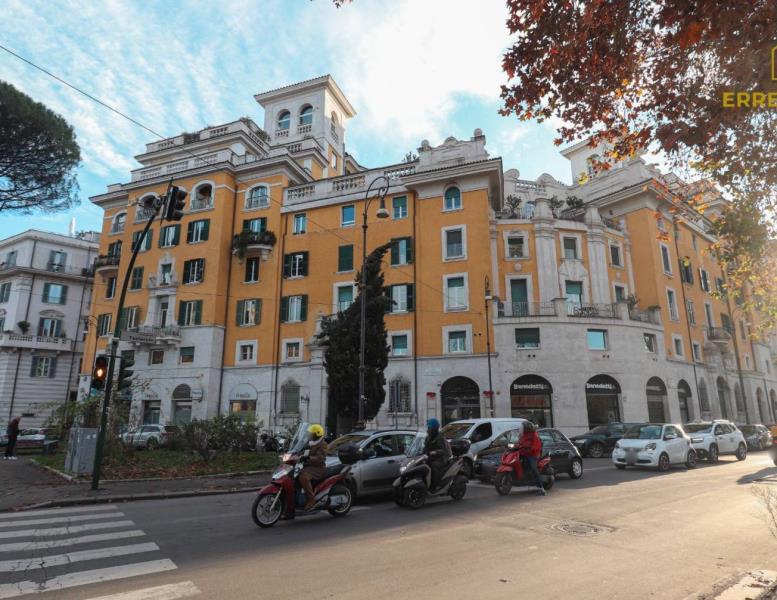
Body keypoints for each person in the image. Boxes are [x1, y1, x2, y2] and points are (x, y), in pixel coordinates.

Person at [298, 423, 328, 511]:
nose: (310, 435)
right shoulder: (310, 443)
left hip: (318, 468)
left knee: (303, 477)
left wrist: (308, 458)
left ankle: (311, 499)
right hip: (309, 466)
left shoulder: (323, 444)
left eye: (312, 433)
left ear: (316, 434)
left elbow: (320, 458)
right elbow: (301, 451)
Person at [518, 421, 546, 496]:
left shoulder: (534, 435)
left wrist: (530, 448)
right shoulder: (523, 435)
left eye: (522, 428)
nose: (521, 429)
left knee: (533, 468)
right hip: (524, 453)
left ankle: (541, 488)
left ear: (526, 428)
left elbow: (537, 446)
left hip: (532, 455)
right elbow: (519, 443)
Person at [423, 418, 451, 490]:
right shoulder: (427, 437)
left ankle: (436, 484)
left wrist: (435, 452)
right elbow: (425, 447)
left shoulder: (440, 438)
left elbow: (444, 451)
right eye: (428, 427)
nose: (428, 429)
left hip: (441, 458)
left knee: (433, 467)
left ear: (434, 429)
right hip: (431, 457)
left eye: (429, 427)